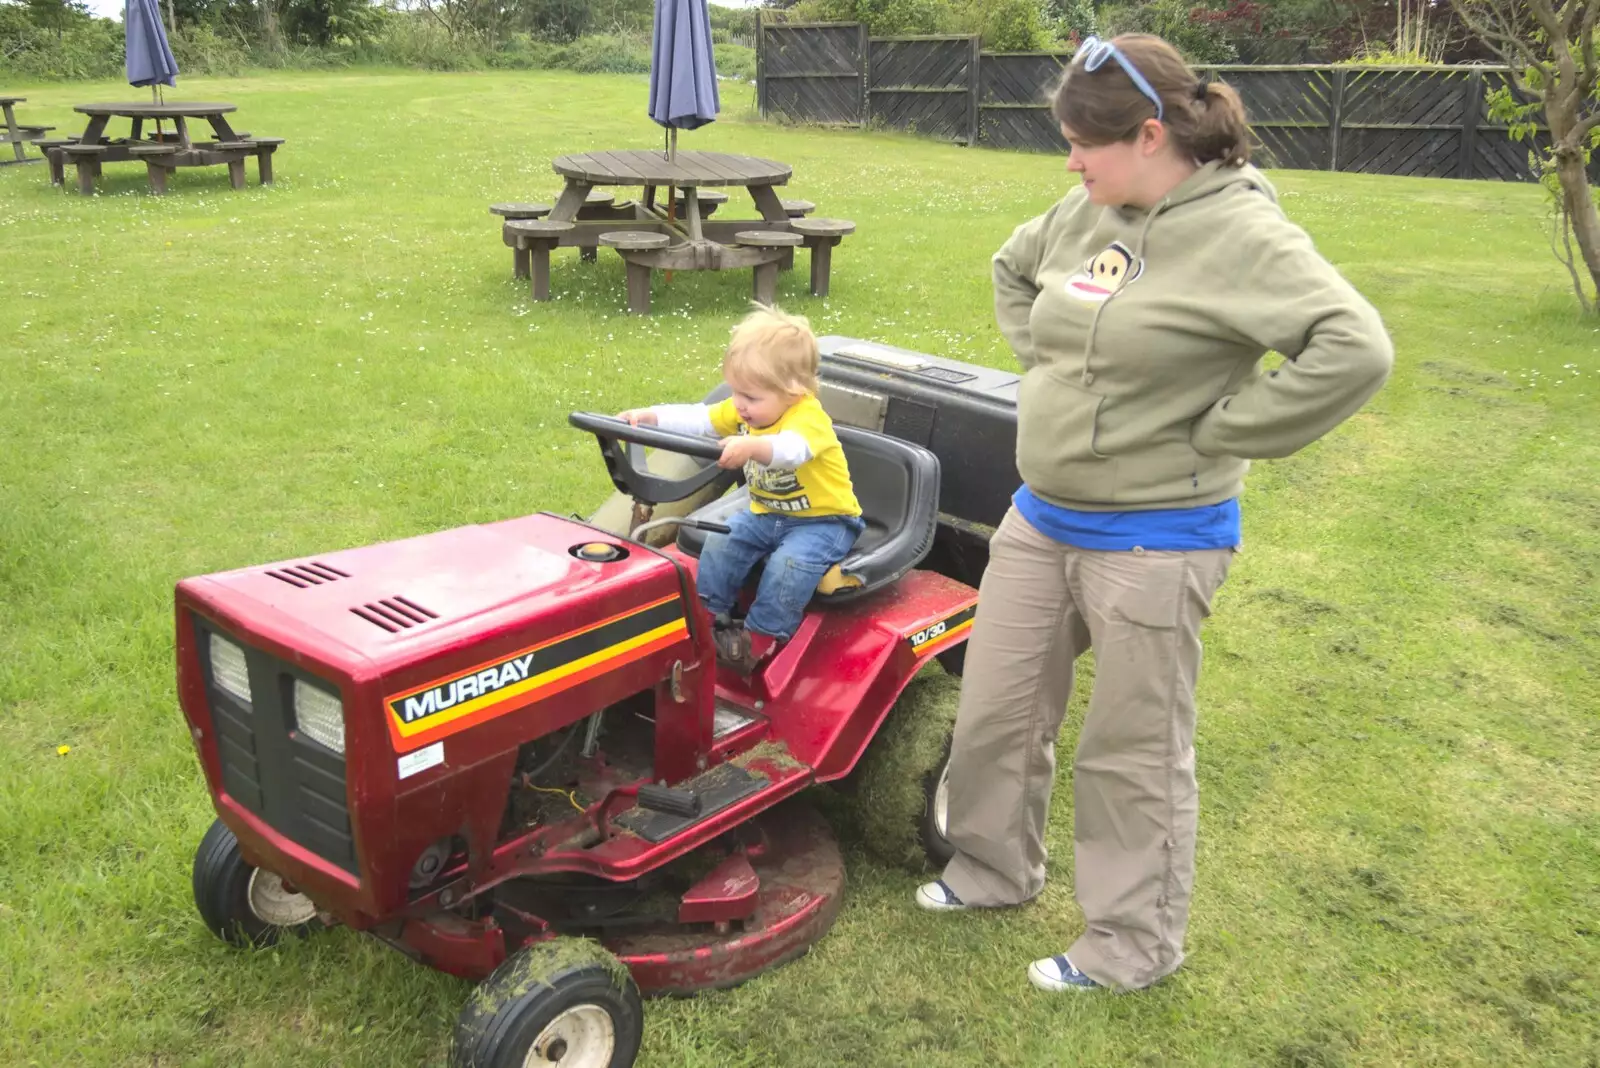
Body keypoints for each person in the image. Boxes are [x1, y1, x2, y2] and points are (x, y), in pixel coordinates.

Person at [914, 34, 1394, 994]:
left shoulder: (1244, 235)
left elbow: (1356, 347)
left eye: (1083, 143)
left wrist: (1226, 428)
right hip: (1042, 517)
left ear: (1148, 134)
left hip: (1157, 539)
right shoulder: (1090, 205)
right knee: (996, 713)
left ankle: (1130, 944)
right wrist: (1053, 369)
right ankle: (993, 868)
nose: (1069, 161)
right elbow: (1015, 269)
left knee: (1132, 751)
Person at [619, 305, 863, 673]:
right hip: (767, 512)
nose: (739, 406)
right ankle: (709, 620)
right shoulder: (746, 409)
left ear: (794, 391)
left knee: (788, 565)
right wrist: (652, 416)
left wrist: (751, 447)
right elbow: (701, 418)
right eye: (737, 393)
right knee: (721, 539)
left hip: (822, 521)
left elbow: (790, 451)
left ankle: (760, 639)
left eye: (750, 397)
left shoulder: (808, 418)